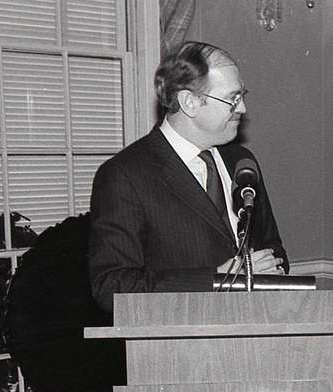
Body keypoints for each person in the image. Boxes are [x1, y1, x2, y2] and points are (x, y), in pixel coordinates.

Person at [88, 41, 287, 313]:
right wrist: (216, 279)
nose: (242, 109)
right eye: (232, 98)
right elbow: (111, 287)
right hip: (181, 345)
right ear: (189, 102)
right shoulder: (124, 175)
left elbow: (272, 249)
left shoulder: (242, 161)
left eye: (242, 96)